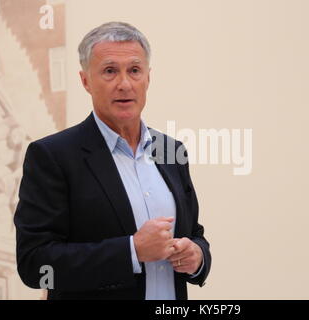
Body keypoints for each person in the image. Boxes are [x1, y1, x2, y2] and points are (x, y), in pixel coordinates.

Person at [14, 22, 211, 300]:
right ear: (85, 81)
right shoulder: (53, 156)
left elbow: (195, 233)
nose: (125, 84)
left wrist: (198, 256)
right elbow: (35, 264)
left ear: (148, 78)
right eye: (109, 71)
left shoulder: (171, 150)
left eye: (134, 70)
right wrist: (131, 251)